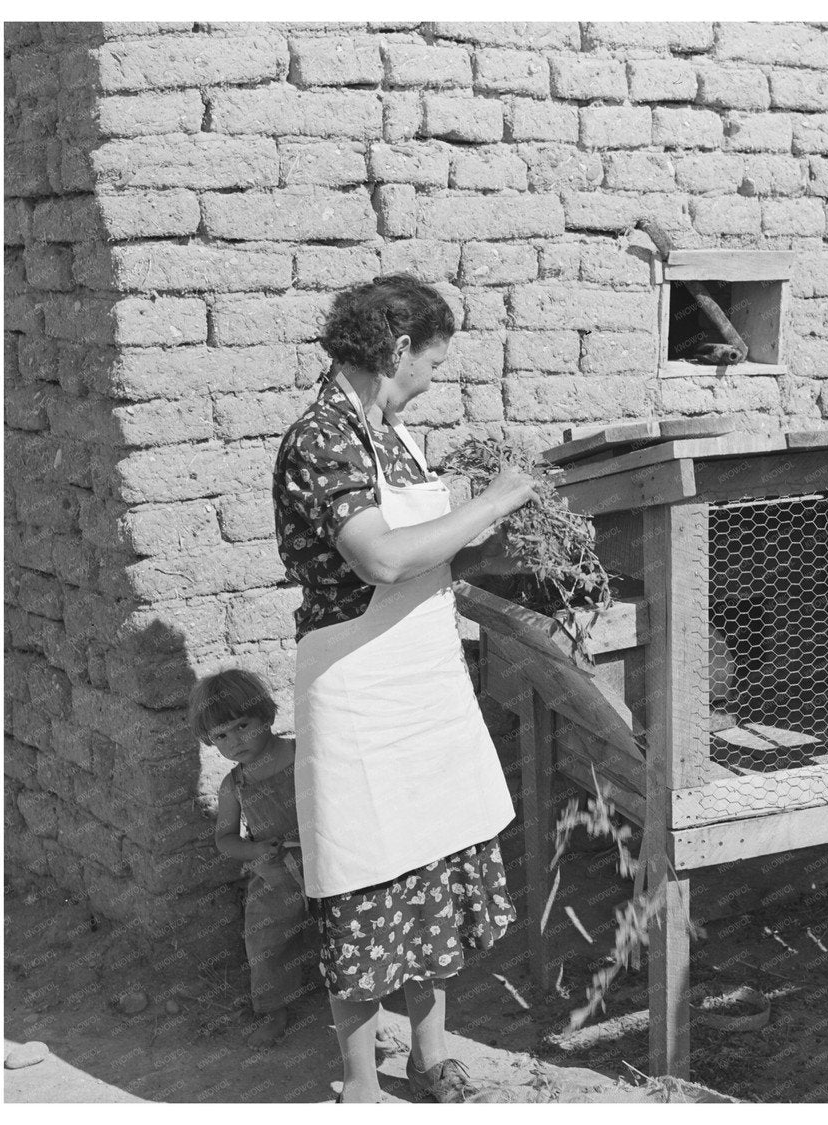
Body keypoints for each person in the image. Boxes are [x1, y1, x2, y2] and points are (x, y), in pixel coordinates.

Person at [272, 275, 536, 1104]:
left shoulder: (391, 435)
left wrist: (488, 523)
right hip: (358, 682)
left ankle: (430, 1050)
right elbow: (382, 558)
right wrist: (491, 502)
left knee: (431, 864)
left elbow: (427, 544)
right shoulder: (320, 438)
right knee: (363, 877)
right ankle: (361, 1086)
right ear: (394, 351)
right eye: (432, 358)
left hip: (418, 676)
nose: (433, 374)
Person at [191, 668, 317, 1051]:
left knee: (342, 936)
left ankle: (365, 1012)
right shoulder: (235, 785)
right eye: (221, 736)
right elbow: (225, 839)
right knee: (265, 943)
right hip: (275, 875)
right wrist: (255, 853)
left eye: (242, 725)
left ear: (267, 715)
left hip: (326, 864)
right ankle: (273, 1009)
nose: (235, 741)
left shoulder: (305, 756)